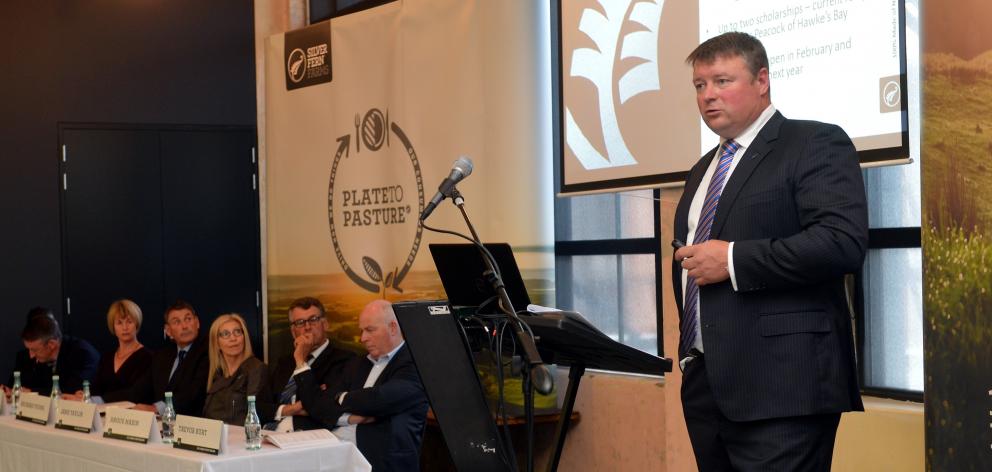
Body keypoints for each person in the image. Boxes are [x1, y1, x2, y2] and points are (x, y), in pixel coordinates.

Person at [672, 32, 867, 471]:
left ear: (762, 80)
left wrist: (734, 260)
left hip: (785, 386)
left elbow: (842, 242)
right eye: (700, 86)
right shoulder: (703, 168)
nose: (708, 96)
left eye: (722, 81)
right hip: (708, 385)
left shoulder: (815, 142)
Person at [295, 300, 428, 472]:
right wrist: (349, 418)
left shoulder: (415, 364)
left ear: (393, 328)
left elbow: (379, 399)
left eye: (370, 330)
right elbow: (318, 405)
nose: (363, 338)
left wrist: (341, 397)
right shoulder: (358, 363)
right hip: (336, 454)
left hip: (380, 461)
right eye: (361, 330)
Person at [258, 296, 355, 431]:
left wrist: (300, 361)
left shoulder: (344, 360)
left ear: (325, 324)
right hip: (268, 434)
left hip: (304, 437)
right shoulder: (284, 362)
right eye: (300, 322)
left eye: (313, 320)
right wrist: (291, 409)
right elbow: (258, 407)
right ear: (293, 331)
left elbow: (320, 408)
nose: (307, 327)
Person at [64, 299, 154, 404]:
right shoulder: (107, 358)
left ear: (137, 324)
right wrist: (84, 394)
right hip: (104, 414)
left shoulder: (148, 357)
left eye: (129, 322)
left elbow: (134, 393)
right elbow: (98, 388)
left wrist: (98, 399)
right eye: (119, 323)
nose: (125, 328)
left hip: (132, 417)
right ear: (113, 327)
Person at [130, 300, 209, 416]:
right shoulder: (161, 356)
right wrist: (101, 400)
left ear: (197, 323)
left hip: (191, 424)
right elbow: (138, 390)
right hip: (161, 424)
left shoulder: (207, 351)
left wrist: (157, 408)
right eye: (177, 322)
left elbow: (195, 393)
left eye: (188, 319)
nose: (184, 326)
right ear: (168, 331)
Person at [202, 313, 271, 425]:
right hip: (213, 436)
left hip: (240, 437)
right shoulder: (217, 372)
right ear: (217, 343)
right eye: (225, 334)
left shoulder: (256, 368)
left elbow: (255, 413)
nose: (233, 338)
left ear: (244, 337)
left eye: (237, 332)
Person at [12, 310, 100, 396]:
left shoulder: (82, 354)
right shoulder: (45, 358)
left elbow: (72, 391)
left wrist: (32, 392)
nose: (31, 355)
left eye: (34, 350)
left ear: (51, 344)